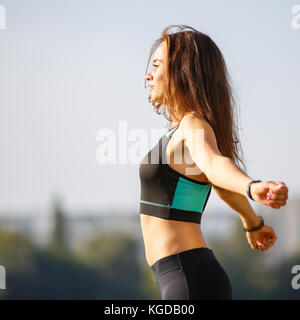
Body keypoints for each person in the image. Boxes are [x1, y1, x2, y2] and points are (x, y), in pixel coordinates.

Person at [139, 25, 289, 300]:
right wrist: (252, 223)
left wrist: (252, 186)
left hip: (189, 280)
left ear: (181, 72)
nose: (148, 75)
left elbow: (214, 164)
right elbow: (217, 181)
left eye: (157, 65)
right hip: (183, 277)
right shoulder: (179, 130)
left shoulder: (192, 124)